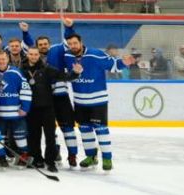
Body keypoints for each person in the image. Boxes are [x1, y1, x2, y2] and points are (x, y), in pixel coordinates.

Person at [63, 32, 134, 171]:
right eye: (70, 44)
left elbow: (113, 64)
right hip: (79, 101)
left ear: (81, 42)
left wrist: (124, 63)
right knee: (85, 129)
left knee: (101, 129)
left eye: (75, 43)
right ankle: (91, 156)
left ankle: (107, 158)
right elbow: (66, 74)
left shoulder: (95, 54)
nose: (73, 46)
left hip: (98, 101)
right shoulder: (67, 56)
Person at [0, 51, 31, 165]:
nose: (1, 61)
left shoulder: (16, 72)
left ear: (8, 59)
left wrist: (25, 108)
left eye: (3, 59)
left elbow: (25, 90)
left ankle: (24, 155)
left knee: (20, 135)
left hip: (16, 112)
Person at [23, 46, 63, 171]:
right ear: (27, 55)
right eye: (31, 54)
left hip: (47, 109)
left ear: (39, 55)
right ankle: (37, 160)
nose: (33, 56)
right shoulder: (22, 70)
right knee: (34, 137)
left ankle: (50, 162)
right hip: (31, 110)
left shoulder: (47, 68)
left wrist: (76, 73)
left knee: (50, 137)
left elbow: (63, 76)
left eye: (36, 54)